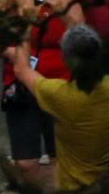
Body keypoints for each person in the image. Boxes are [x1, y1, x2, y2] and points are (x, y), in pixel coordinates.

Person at [6, 24, 109, 191]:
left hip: (73, 187)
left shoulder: (59, 95)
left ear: (65, 59)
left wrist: (25, 26)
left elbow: (22, 70)